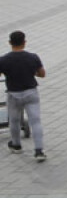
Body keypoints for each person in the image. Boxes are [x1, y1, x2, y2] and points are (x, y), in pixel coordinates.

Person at [1, 31, 46, 162]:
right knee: (35, 121)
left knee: (14, 120)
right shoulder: (33, 57)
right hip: (31, 93)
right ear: (24, 42)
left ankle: (16, 145)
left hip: (13, 94)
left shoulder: (3, 59)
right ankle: (39, 150)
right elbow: (42, 74)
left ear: (10, 43)